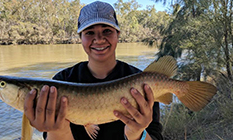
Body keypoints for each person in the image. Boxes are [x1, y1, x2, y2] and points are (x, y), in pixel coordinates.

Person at [24, 1, 163, 140]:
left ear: (118, 34)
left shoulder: (142, 81)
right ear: (81, 38)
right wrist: (57, 130)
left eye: (107, 31)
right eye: (90, 32)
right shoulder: (61, 81)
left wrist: (137, 134)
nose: (99, 39)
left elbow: (155, 135)